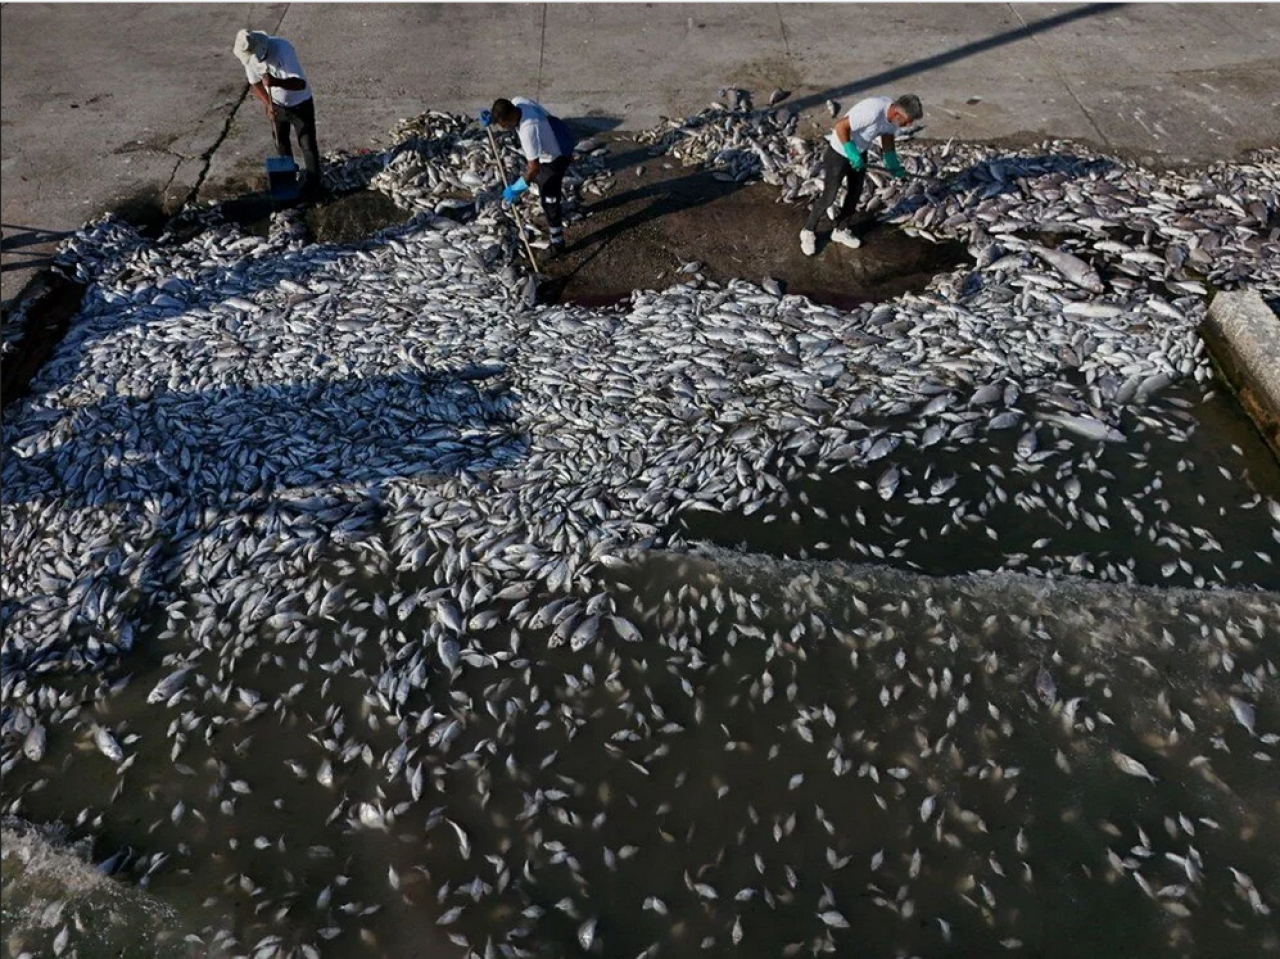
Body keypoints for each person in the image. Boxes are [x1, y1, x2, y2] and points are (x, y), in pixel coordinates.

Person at [799, 93, 923, 256]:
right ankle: (808, 231)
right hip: (839, 152)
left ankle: (840, 230)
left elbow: (887, 135)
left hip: (860, 152)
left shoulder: (893, 118)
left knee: (855, 192)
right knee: (829, 196)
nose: (908, 125)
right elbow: (840, 127)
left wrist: (891, 161)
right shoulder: (872, 111)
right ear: (897, 113)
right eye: (907, 121)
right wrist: (851, 152)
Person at [233, 29, 323, 200]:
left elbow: (300, 84)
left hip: (300, 103)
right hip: (277, 106)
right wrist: (268, 104)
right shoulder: (249, 59)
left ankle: (314, 185)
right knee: (281, 143)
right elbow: (255, 84)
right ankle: (287, 184)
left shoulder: (283, 48)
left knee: (307, 145)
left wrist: (276, 82)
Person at [481, 97, 576, 257]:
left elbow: (534, 168)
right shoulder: (518, 101)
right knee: (542, 186)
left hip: (555, 158)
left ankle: (557, 243)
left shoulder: (528, 130)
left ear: (509, 118)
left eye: (503, 125)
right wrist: (492, 118)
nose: (504, 128)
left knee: (549, 201)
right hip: (554, 132)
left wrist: (516, 189)